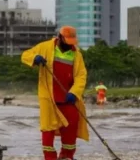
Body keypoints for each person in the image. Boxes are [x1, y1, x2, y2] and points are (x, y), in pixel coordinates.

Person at [21, 26, 89, 160]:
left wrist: (74, 93)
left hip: (68, 98)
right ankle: (49, 157)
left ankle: (66, 156)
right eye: (67, 42)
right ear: (60, 37)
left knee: (71, 128)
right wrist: (35, 58)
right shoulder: (45, 47)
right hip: (49, 98)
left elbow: (81, 76)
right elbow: (25, 55)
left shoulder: (76, 54)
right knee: (47, 130)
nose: (70, 46)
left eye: (72, 42)